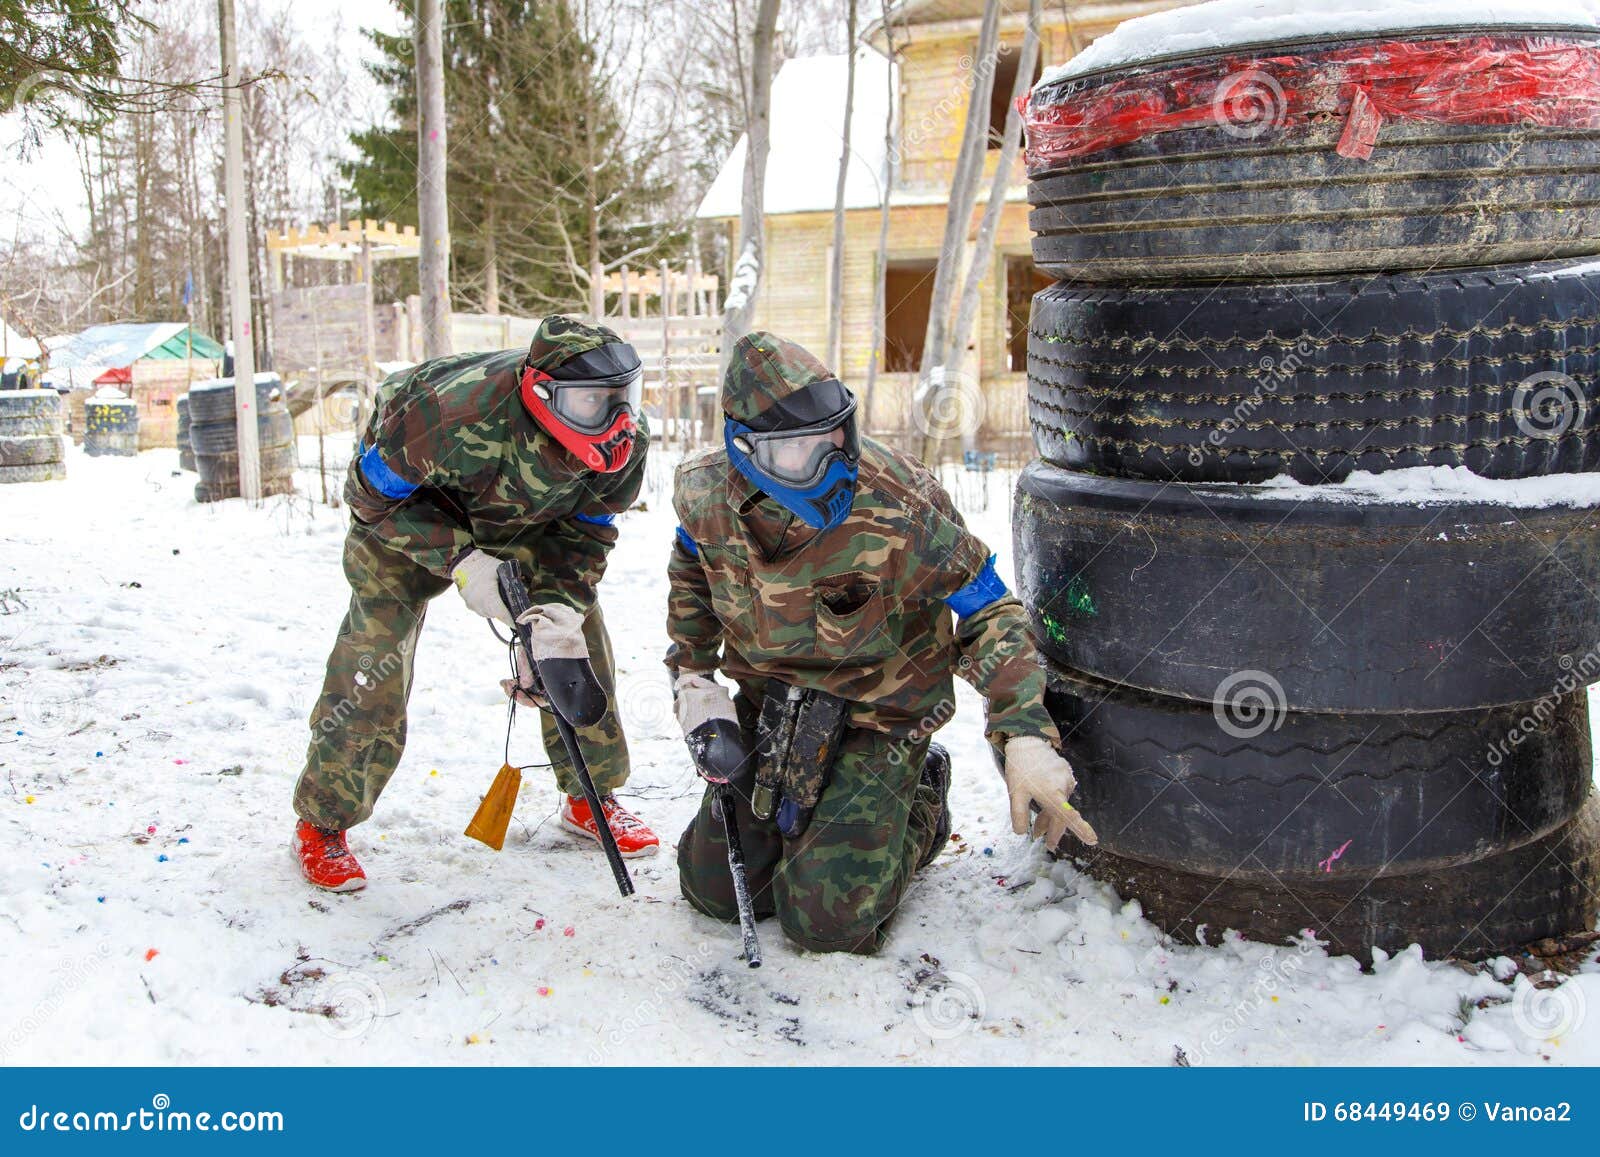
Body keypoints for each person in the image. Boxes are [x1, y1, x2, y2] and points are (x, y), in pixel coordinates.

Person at [667, 331, 1097, 954]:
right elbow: (691, 571)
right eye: (797, 451)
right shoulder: (702, 493)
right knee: (715, 891)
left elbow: (988, 609)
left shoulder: (902, 501)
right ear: (745, 450)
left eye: (834, 437)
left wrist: (1023, 729)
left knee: (826, 925)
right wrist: (693, 676)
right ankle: (819, 833)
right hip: (771, 709)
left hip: (882, 717)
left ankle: (923, 797)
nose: (828, 464)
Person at [292, 316, 660, 892]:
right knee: (375, 653)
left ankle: (591, 796)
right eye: (593, 402)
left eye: (624, 397)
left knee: (575, 640)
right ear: (544, 394)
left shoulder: (625, 442)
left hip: (531, 522)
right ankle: (323, 820)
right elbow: (368, 499)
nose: (615, 419)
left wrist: (556, 613)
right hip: (412, 520)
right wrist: (463, 562)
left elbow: (588, 533)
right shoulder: (444, 413)